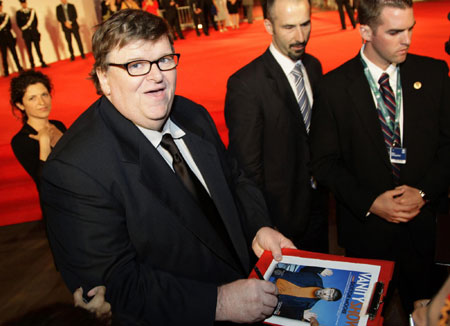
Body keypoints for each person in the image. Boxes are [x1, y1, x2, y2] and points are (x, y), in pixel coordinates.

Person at [40, 9, 296, 325]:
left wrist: (258, 227)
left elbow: (235, 178)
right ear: (104, 78)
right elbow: (114, 285)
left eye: (164, 60)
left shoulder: (192, 113)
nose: (156, 76)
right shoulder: (75, 171)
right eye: (136, 65)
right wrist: (219, 302)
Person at [309, 0, 450, 315]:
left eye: (410, 29)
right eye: (395, 31)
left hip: (424, 231)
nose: (407, 40)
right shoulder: (333, 87)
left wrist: (424, 192)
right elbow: (324, 162)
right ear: (365, 31)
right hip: (367, 237)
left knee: (427, 314)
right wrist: (370, 202)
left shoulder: (435, 73)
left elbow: (448, 145)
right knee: (369, 317)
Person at [224, 0, 328, 253]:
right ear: (269, 26)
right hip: (279, 221)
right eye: (289, 27)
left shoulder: (313, 66)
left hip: (319, 205)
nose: (300, 36)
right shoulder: (246, 85)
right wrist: (264, 224)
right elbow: (247, 170)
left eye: (305, 24)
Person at [10, 70, 66, 188]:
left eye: (44, 95)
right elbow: (44, 184)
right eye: (32, 98)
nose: (42, 102)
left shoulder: (58, 125)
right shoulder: (21, 141)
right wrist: (44, 142)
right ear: (20, 105)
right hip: (62, 202)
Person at [273, 267, 342, 322]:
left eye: (329, 297)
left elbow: (281, 310)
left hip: (269, 293)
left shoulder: (307, 306)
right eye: (330, 291)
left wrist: (300, 314)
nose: (325, 294)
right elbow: (304, 269)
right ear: (329, 288)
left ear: (327, 300)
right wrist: (320, 270)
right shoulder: (316, 279)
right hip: (275, 274)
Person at [16, 0, 48, 69]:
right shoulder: (19, 13)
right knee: (29, 50)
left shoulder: (32, 11)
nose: (24, 4)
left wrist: (33, 29)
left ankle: (42, 61)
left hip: (34, 33)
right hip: (26, 34)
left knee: (38, 48)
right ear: (21, 4)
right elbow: (19, 24)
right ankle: (32, 64)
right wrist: (26, 28)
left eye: (25, 3)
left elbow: (35, 22)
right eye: (22, 3)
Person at [0, 1, 23, 77]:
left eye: (0, 6)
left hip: (9, 37)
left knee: (14, 53)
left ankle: (19, 67)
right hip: (1, 38)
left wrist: (14, 37)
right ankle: (6, 70)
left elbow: (10, 26)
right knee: (4, 55)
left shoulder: (6, 15)